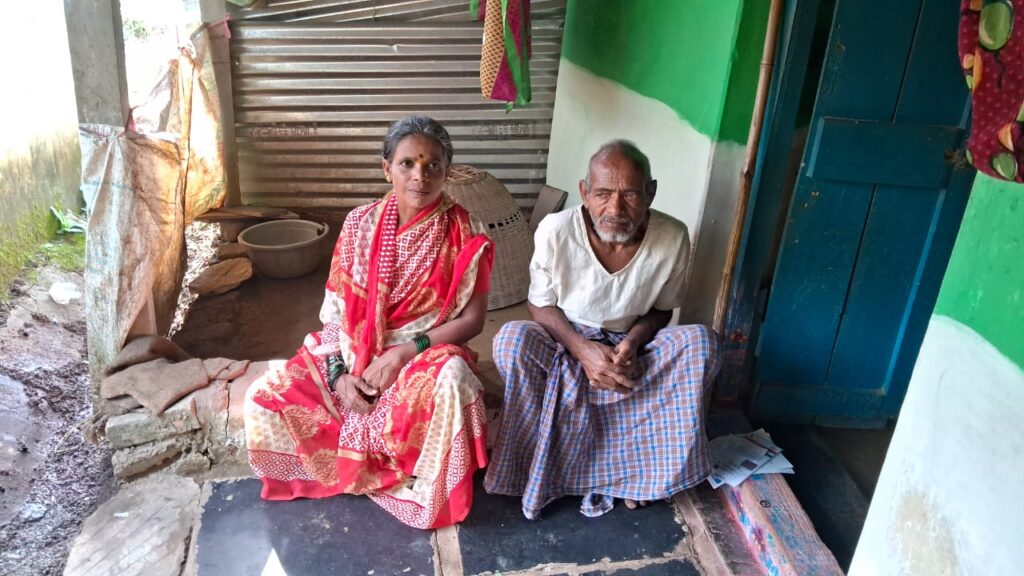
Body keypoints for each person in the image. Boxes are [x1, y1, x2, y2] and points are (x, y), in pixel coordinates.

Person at [244, 116, 494, 529]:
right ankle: (378, 468)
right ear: (386, 168)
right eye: (407, 164)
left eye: (433, 165)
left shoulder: (466, 231)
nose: (421, 176)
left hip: (422, 356)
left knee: (453, 380)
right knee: (262, 399)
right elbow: (336, 314)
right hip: (354, 357)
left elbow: (473, 320)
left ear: (447, 171)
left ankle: (419, 483)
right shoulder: (359, 223)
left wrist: (402, 353)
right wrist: (341, 375)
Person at [484, 140, 721, 519]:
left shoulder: (672, 235)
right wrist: (582, 349)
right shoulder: (556, 229)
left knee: (700, 344)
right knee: (513, 340)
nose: (615, 209)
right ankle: (532, 468)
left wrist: (632, 342)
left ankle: (645, 475)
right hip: (566, 340)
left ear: (651, 193)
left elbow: (662, 310)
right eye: (603, 194)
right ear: (584, 192)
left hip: (632, 348)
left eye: (630, 194)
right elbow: (540, 305)